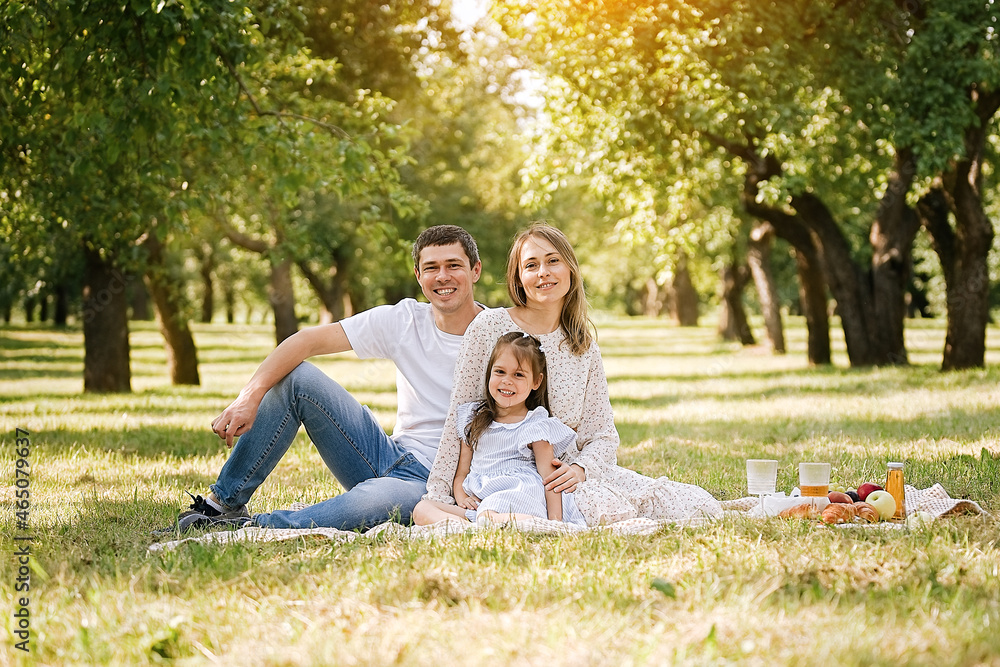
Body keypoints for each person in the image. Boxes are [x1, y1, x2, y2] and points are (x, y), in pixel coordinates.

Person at [157, 225, 484, 534]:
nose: (442, 276)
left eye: (453, 265)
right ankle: (222, 505)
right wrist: (249, 396)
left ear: (475, 271)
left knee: (371, 503)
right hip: (385, 454)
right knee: (296, 376)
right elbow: (305, 342)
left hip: (435, 486)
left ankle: (254, 527)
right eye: (431, 267)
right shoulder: (403, 320)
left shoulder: (504, 337)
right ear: (418, 275)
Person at [424, 222, 723, 525]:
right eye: (531, 265)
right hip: (504, 482)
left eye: (553, 260)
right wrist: (443, 492)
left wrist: (580, 469)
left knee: (697, 505)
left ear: (570, 269)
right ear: (519, 278)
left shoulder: (582, 346)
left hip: (569, 479)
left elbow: (602, 435)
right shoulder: (489, 327)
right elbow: (459, 417)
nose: (543, 272)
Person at [413, 332, 587, 526]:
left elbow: (550, 478)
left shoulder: (535, 425)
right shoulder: (473, 417)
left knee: (488, 516)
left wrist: (556, 521)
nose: (507, 381)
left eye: (518, 374)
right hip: (482, 500)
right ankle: (471, 529)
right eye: (500, 372)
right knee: (422, 509)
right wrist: (461, 497)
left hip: (518, 493)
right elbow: (461, 472)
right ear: (490, 373)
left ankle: (532, 524)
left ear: (536, 382)